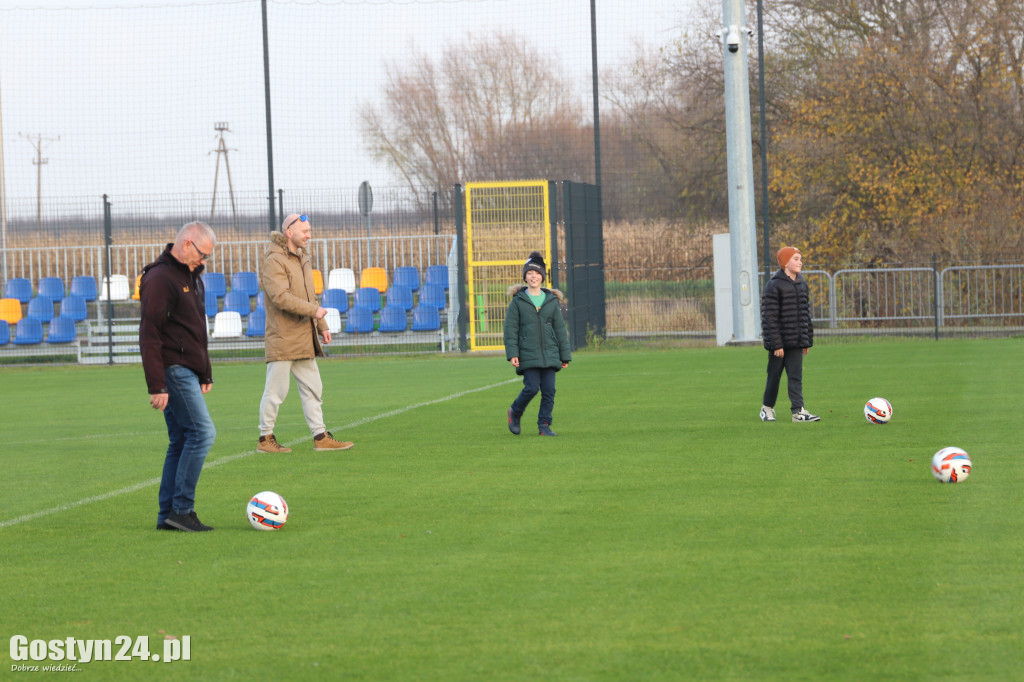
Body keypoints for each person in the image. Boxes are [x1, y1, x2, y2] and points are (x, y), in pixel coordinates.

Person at [139, 221, 218, 532]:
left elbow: (196, 328)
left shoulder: (190, 276)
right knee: (202, 434)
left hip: (187, 368)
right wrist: (157, 384)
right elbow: (149, 334)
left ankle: (168, 516)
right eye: (202, 254)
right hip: (172, 369)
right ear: (187, 243)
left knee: (181, 439)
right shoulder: (159, 278)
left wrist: (205, 371)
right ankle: (182, 510)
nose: (203, 262)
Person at [256, 213, 353, 453]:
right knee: (276, 391)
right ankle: (265, 439)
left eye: (309, 230)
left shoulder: (302, 257)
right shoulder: (274, 260)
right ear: (289, 232)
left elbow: (310, 295)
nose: (309, 235)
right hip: (283, 337)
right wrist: (315, 311)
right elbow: (281, 298)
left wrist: (322, 326)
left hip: (303, 336)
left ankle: (320, 437)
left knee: (313, 388)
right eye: (305, 231)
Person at [504, 251, 571, 436]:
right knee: (532, 387)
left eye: (537, 273)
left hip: (550, 353)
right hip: (528, 353)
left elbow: (559, 329)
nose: (534, 276)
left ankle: (544, 425)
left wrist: (564, 356)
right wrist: (513, 353)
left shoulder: (551, 301)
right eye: (530, 273)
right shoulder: (518, 302)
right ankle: (515, 412)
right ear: (525, 276)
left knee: (549, 390)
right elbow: (511, 330)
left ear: (543, 276)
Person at [760, 246, 820, 422]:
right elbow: (769, 317)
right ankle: (767, 408)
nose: (799, 262)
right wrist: (776, 344)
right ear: (785, 262)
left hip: (796, 341)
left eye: (800, 259)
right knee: (774, 377)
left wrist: (806, 339)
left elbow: (805, 314)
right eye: (795, 258)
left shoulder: (802, 284)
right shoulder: (773, 285)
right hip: (779, 344)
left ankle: (798, 411)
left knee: (796, 377)